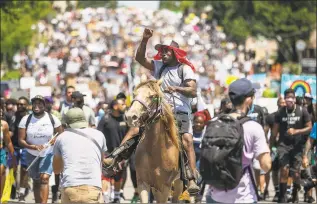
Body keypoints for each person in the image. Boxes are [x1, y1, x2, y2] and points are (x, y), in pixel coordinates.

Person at [130, 27, 200, 194]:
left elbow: (193, 91)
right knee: (134, 130)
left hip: (180, 112)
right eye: (161, 51)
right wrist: (145, 39)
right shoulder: (159, 66)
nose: (162, 54)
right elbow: (139, 58)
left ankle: (191, 178)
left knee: (187, 141)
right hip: (158, 111)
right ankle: (117, 157)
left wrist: (176, 88)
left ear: (175, 52)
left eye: (166, 51)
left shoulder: (184, 68)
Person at [206, 78, 271, 203]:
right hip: (243, 197)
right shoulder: (253, 127)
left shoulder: (214, 123)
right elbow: (266, 166)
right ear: (248, 100)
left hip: (214, 196)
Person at [53, 108, 107, 203]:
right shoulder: (99, 135)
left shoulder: (61, 138)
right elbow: (102, 160)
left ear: (67, 123)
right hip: (93, 188)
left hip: (70, 188)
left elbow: (56, 170)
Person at [18, 95, 63, 204]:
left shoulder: (52, 119)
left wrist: (55, 140)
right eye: (35, 103)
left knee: (44, 178)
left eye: (40, 103)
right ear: (32, 105)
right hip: (31, 153)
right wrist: (32, 146)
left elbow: (61, 135)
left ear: (44, 105)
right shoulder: (26, 120)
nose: (37, 106)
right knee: (36, 181)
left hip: (48, 153)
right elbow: (21, 140)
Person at [270, 88, 312, 203]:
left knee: (296, 174)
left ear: (294, 99)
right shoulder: (280, 112)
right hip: (283, 146)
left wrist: (296, 131)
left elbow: (309, 127)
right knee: (284, 170)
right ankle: (282, 197)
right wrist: (270, 147)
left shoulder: (302, 111)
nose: (290, 100)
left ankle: (294, 193)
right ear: (285, 99)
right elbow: (274, 132)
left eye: (292, 98)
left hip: (297, 146)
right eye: (287, 98)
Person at [98, 98, 128, 203]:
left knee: (118, 176)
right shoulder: (105, 119)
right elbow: (98, 135)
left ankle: (116, 197)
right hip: (107, 154)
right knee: (105, 176)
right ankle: (105, 198)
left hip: (121, 154)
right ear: (115, 106)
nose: (125, 105)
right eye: (122, 104)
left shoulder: (125, 119)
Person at [9, 96, 30, 201]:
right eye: (18, 104)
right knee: (13, 169)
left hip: (26, 147)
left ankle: (22, 192)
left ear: (27, 106)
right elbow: (10, 131)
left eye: (22, 104)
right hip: (14, 147)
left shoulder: (30, 117)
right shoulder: (13, 116)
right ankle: (13, 187)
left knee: (25, 169)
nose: (19, 106)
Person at [265, 96, 286, 202]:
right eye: (280, 102)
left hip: (287, 147)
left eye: (284, 103)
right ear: (277, 104)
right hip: (274, 147)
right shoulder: (271, 117)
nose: (282, 104)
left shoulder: (290, 116)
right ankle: (277, 192)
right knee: (274, 170)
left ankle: (285, 192)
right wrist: (267, 146)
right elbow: (265, 131)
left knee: (286, 169)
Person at [44, 96, 62, 203]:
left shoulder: (56, 115)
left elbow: (61, 129)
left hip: (54, 146)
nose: (46, 104)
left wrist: (55, 139)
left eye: (48, 102)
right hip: (43, 147)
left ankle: (55, 192)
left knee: (56, 172)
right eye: (45, 102)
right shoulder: (39, 116)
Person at [0, 105, 17, 200]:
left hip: (1, 152)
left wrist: (13, 156)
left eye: (1, 112)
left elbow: (8, 141)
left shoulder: (4, 125)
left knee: (1, 171)